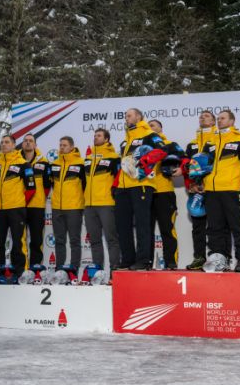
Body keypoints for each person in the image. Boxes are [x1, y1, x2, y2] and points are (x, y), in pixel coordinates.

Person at [201, 110, 240, 273]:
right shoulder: (210, 142)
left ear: (232, 120)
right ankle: (219, 259)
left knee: (237, 226)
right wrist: (200, 181)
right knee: (215, 228)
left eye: (223, 118)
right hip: (211, 190)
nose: (219, 121)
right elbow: (202, 166)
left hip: (232, 190)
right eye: (217, 119)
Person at [115, 108, 167, 270]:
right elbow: (124, 164)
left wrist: (144, 163)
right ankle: (128, 259)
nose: (126, 117)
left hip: (142, 184)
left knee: (142, 224)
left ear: (138, 117)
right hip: (123, 186)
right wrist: (115, 184)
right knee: (122, 224)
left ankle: (143, 260)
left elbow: (162, 150)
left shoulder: (149, 134)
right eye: (125, 115)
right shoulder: (126, 139)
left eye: (129, 115)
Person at [0, 135, 34, 280]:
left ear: (14, 145)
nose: (3, 145)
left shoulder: (24, 164)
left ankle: (20, 274)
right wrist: (0, 201)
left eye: (7, 142)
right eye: (2, 142)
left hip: (16, 209)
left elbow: (31, 188)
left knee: (18, 243)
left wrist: (18, 201)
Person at [182, 110, 217, 270]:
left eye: (207, 116)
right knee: (198, 227)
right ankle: (199, 258)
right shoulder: (192, 144)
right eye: (201, 116)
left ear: (213, 122)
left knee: (217, 226)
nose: (203, 117)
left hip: (214, 189)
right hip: (196, 189)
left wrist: (207, 184)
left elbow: (219, 166)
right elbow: (187, 167)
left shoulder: (218, 140)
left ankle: (219, 258)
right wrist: (191, 184)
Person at [148, 119, 185, 269]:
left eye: (153, 125)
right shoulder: (142, 146)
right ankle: (146, 262)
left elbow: (184, 158)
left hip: (165, 192)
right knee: (146, 231)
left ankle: (171, 262)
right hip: (145, 192)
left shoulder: (170, 144)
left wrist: (181, 169)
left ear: (160, 128)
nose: (150, 128)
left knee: (167, 230)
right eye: (148, 126)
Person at [84, 128, 122, 270]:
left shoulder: (114, 157)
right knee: (94, 240)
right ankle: (97, 272)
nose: (95, 137)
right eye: (94, 135)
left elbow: (118, 180)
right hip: (89, 205)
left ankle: (114, 270)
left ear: (106, 139)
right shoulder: (88, 158)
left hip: (106, 203)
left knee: (111, 239)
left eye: (99, 136)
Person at [49, 136, 86, 271]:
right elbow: (52, 184)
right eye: (60, 145)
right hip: (57, 207)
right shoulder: (54, 164)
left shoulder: (80, 163)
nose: (62, 147)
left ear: (71, 147)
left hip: (74, 207)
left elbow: (85, 186)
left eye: (64, 145)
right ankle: (59, 269)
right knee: (59, 241)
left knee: (74, 240)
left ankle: (73, 269)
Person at [20, 134, 52, 271]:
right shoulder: (15, 160)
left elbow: (47, 186)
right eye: (25, 141)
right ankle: (21, 268)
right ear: (22, 144)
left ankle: (35, 269)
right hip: (19, 205)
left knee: (36, 240)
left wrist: (38, 197)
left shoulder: (44, 162)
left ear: (35, 145)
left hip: (37, 206)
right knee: (19, 240)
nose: (28, 143)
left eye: (30, 141)